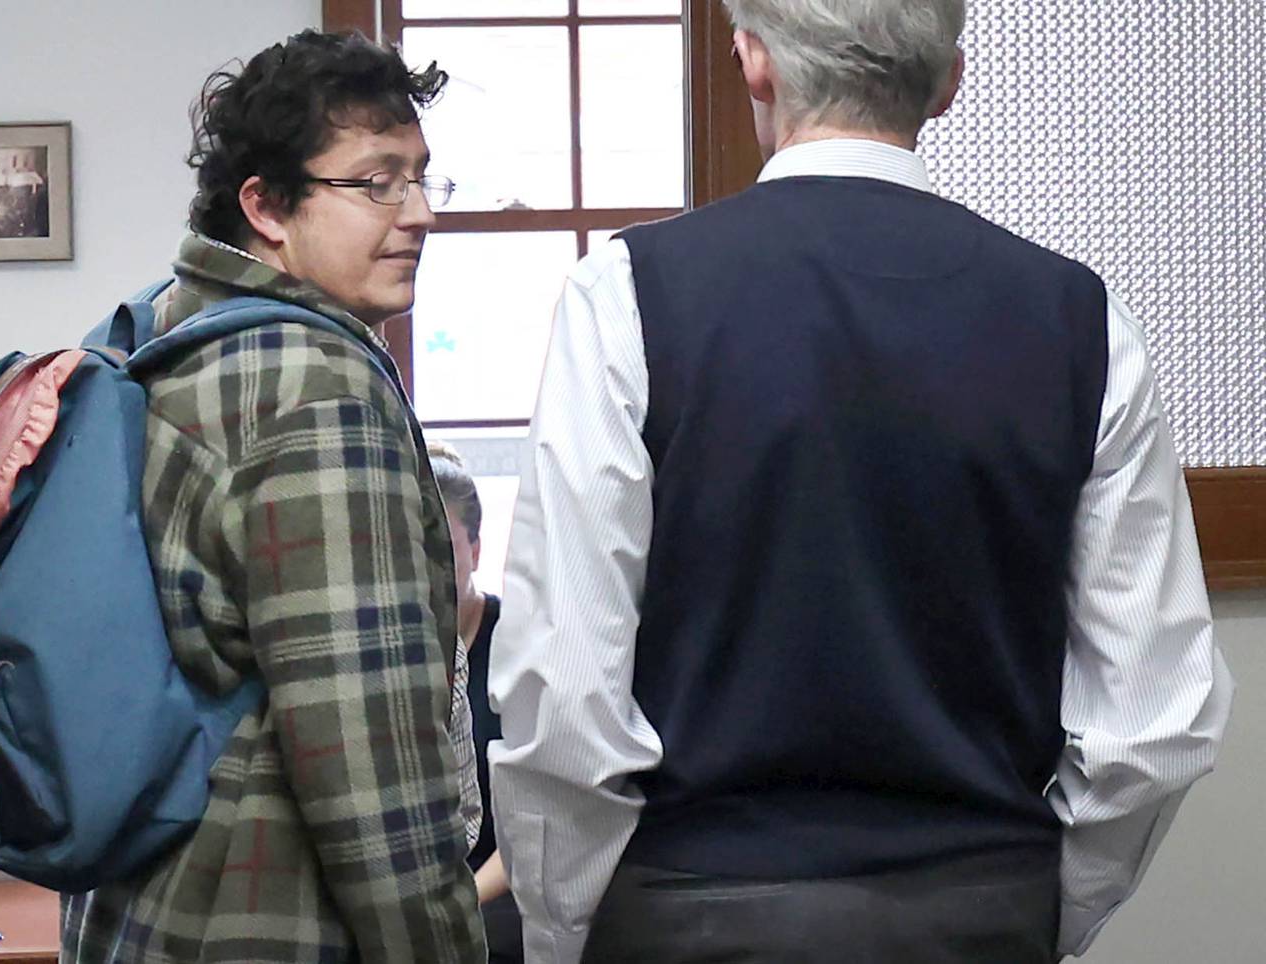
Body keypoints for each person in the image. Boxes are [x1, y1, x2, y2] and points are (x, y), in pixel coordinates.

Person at [487, 1, 1235, 961]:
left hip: (689, 912)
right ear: (948, 82)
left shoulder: (627, 296)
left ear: (753, 63)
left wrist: (564, 932)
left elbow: (566, 695)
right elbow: (1151, 727)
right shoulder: (1081, 320)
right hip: (976, 905)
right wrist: (1041, 908)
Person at [60, 29, 485, 963]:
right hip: (270, 923)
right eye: (375, 181)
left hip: (136, 911)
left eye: (421, 178)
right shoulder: (317, 387)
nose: (417, 213)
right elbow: (369, 762)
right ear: (267, 207)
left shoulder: (158, 338)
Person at [428, 442, 524, 962]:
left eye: (445, 546)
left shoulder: (517, 642)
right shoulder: (399, 652)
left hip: (503, 884)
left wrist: (459, 905)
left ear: (477, 551)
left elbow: (533, 824)